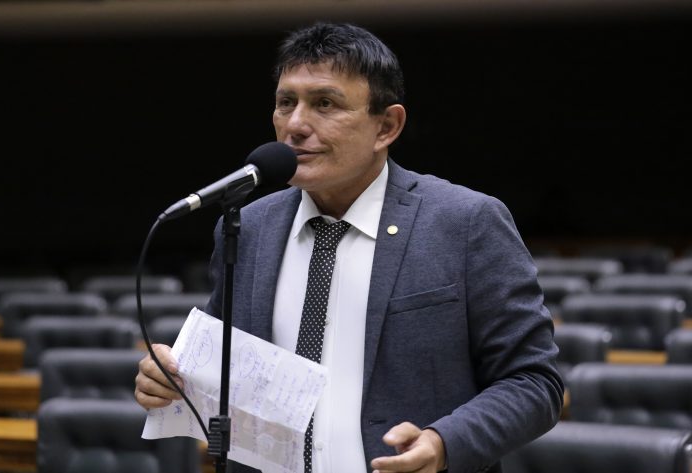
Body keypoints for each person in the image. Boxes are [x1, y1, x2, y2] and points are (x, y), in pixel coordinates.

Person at [135, 22, 563, 473]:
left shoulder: (465, 223)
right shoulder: (249, 227)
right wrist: (170, 378)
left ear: (387, 126)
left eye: (325, 103)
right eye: (286, 103)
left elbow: (534, 381)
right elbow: (224, 371)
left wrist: (444, 443)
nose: (296, 125)